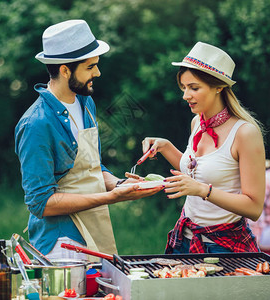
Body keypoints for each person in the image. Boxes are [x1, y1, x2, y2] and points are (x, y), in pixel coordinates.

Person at [15, 20, 162, 259]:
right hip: (62, 245)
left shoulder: (85, 103)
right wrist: (112, 197)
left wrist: (118, 185)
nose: (98, 72)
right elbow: (41, 203)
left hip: (96, 231)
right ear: (65, 70)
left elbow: (91, 166)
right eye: (90, 66)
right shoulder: (36, 124)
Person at [141, 41, 266, 253]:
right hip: (184, 240)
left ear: (219, 87)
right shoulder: (197, 122)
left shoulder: (245, 133)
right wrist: (166, 147)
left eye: (194, 88)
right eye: (183, 87)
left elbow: (254, 208)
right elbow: (196, 172)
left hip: (223, 247)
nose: (185, 95)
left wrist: (202, 190)